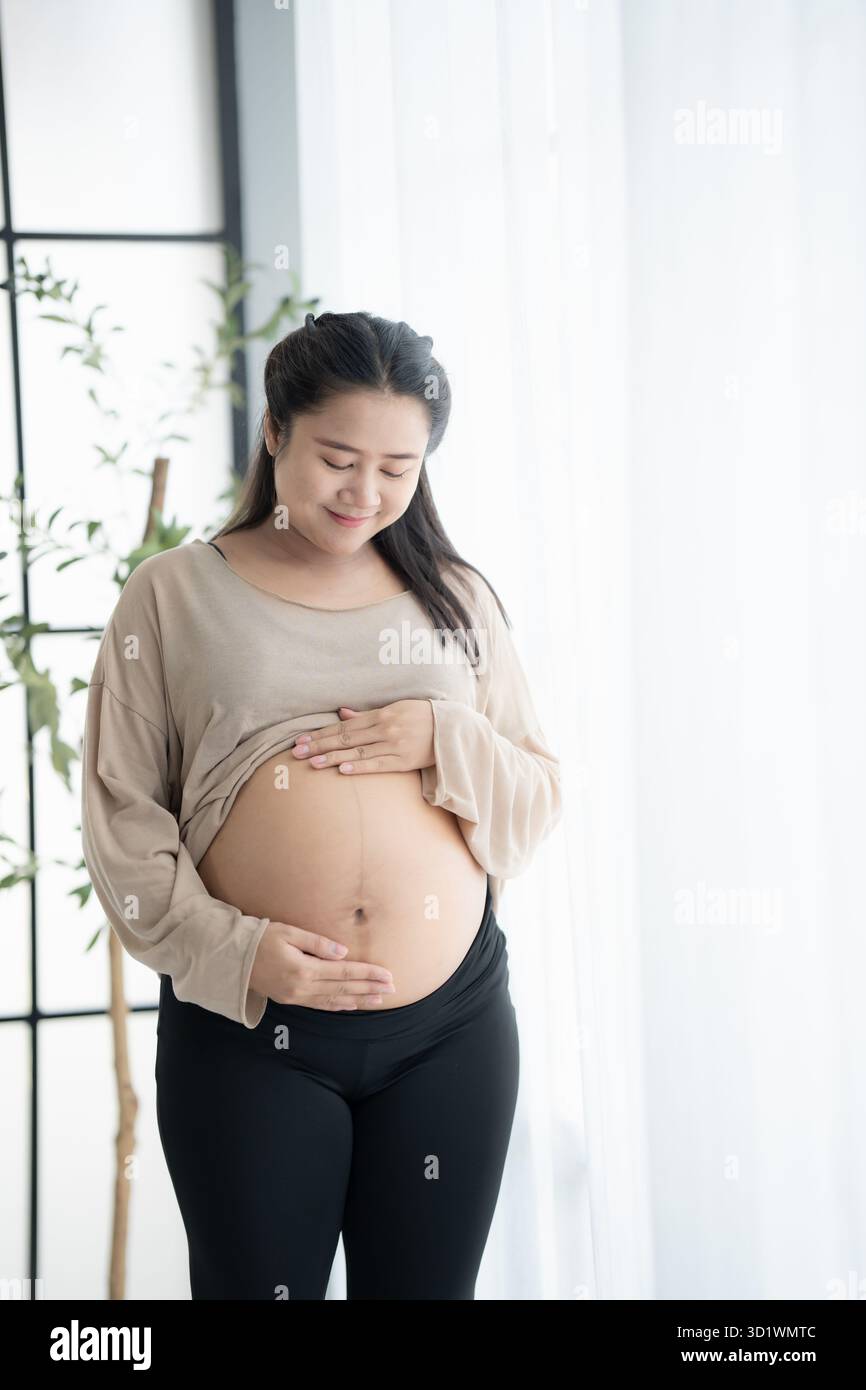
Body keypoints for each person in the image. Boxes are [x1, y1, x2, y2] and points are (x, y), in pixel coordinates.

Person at [80, 309, 562, 1300]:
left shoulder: (457, 597)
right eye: (339, 457)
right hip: (254, 1033)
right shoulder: (171, 596)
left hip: (450, 1028)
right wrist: (235, 950)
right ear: (274, 431)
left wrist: (446, 739)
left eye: (398, 466)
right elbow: (122, 817)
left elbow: (536, 798)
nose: (366, 492)